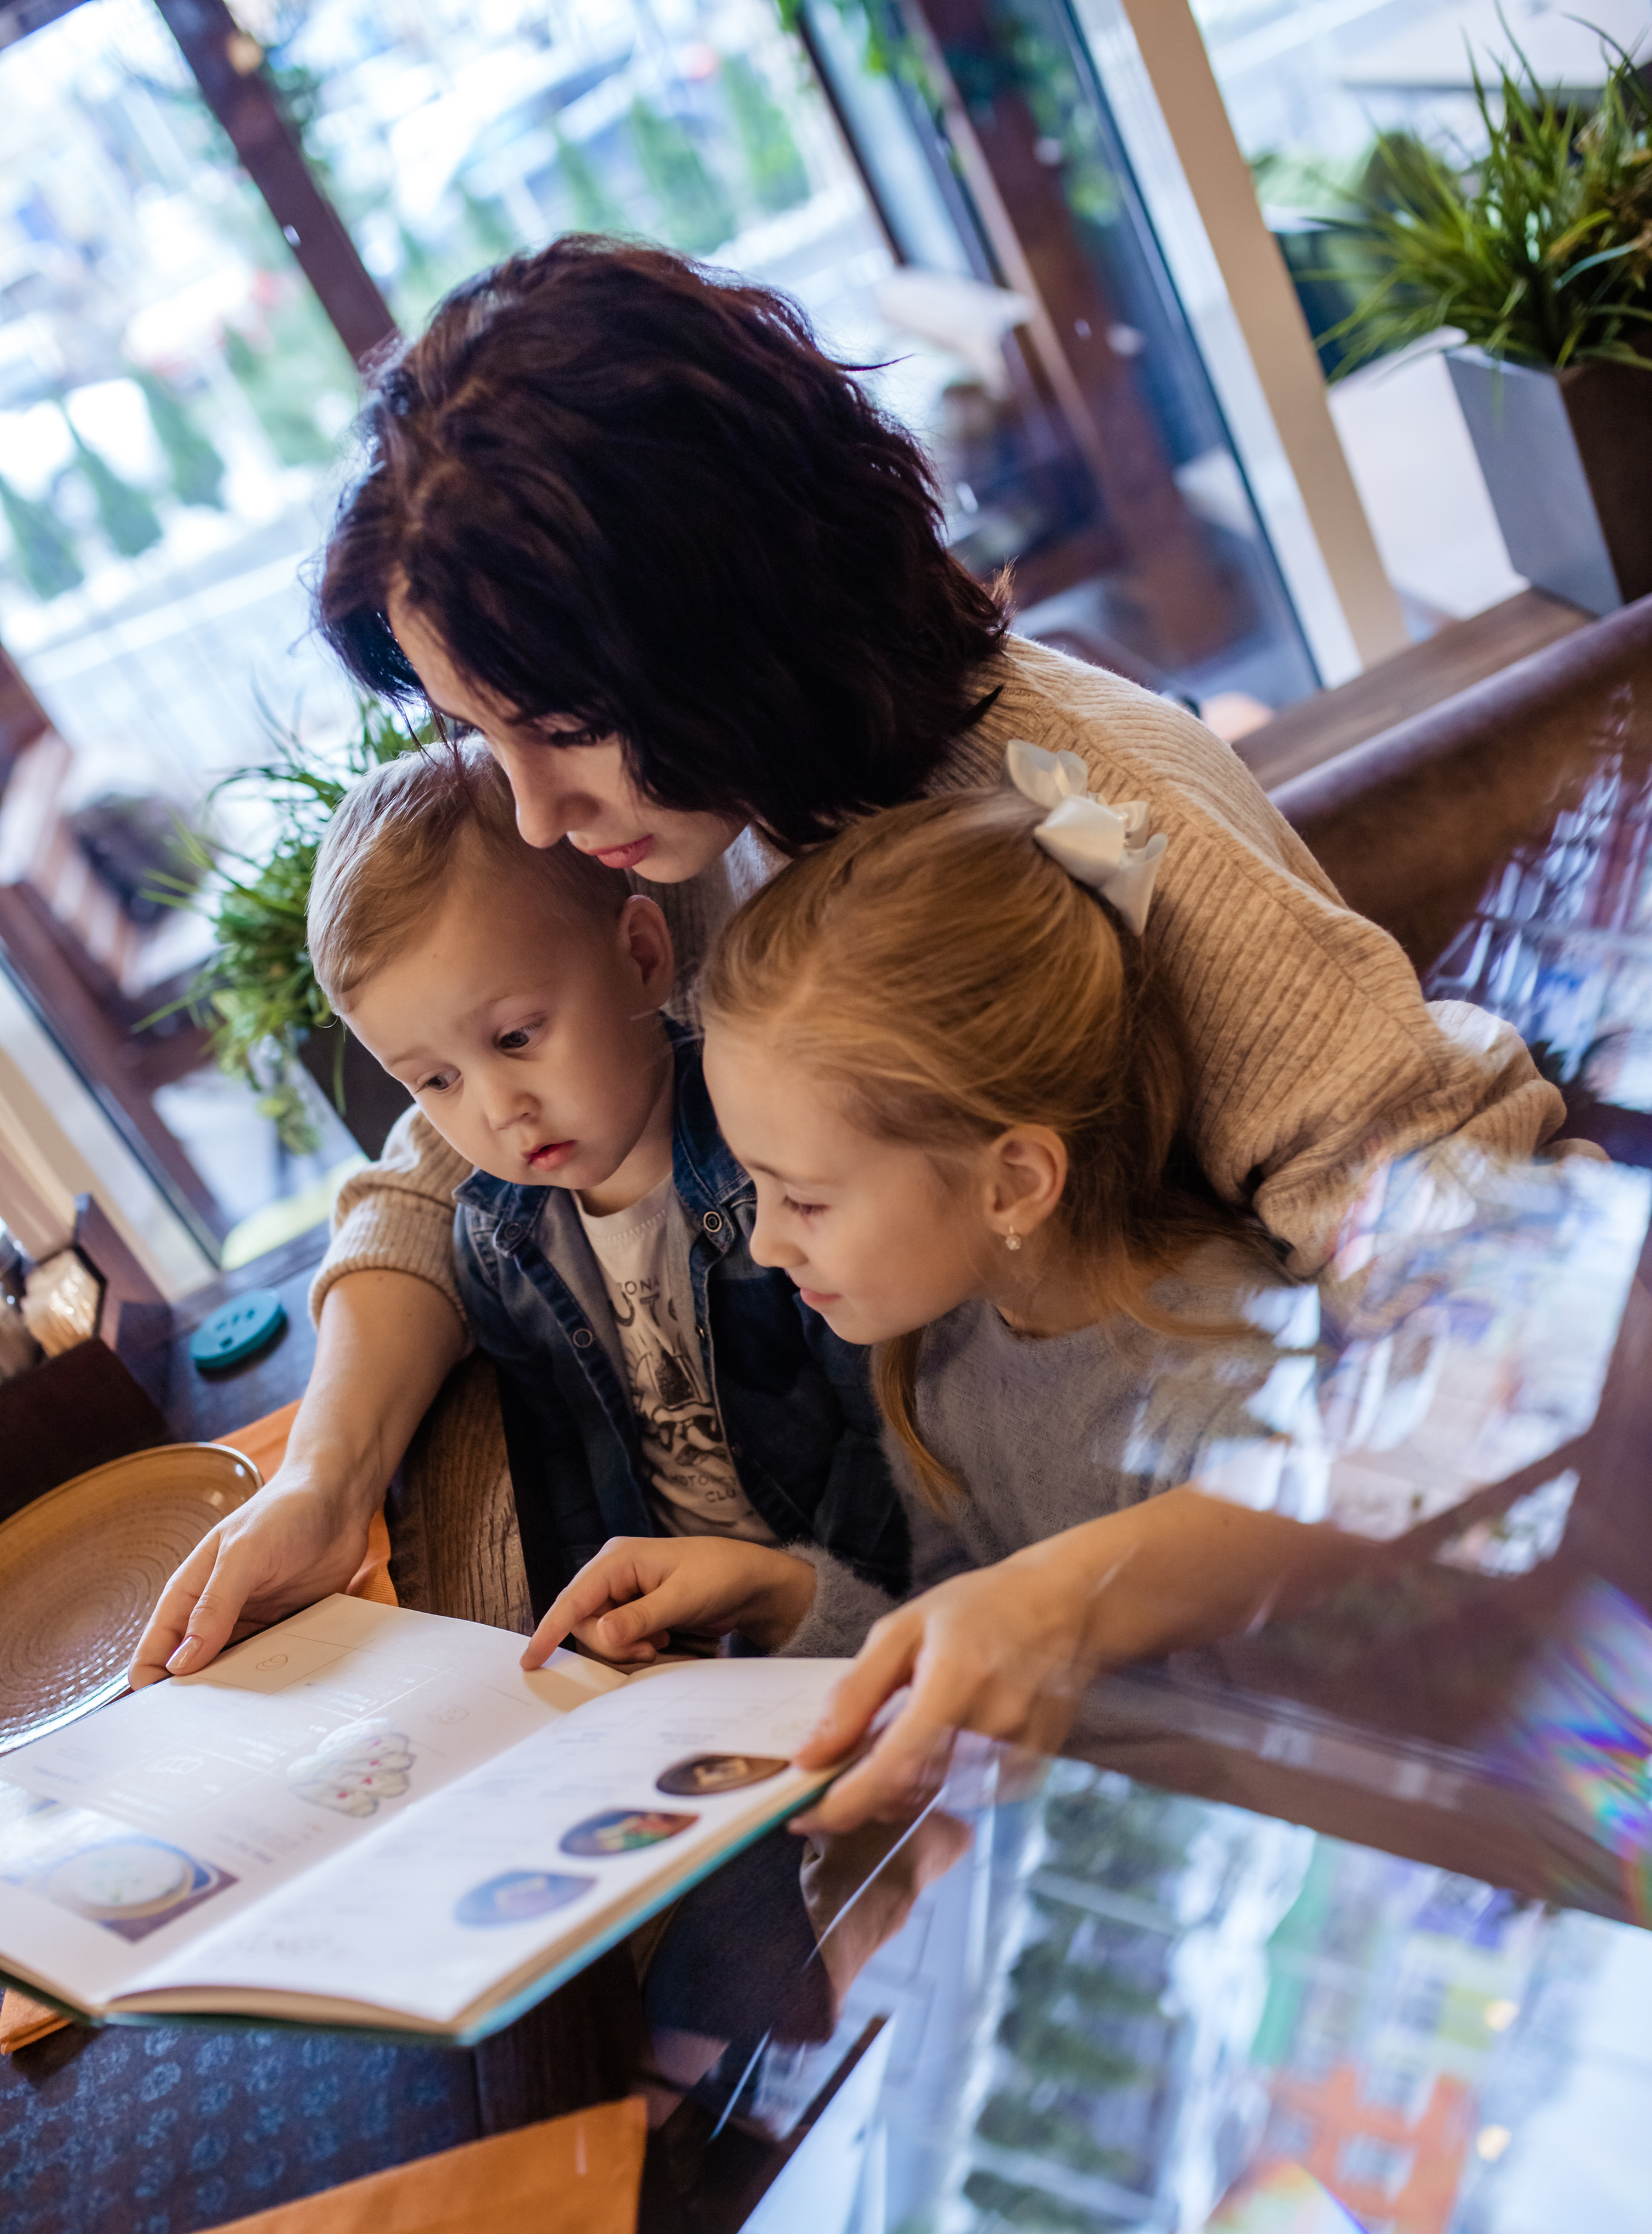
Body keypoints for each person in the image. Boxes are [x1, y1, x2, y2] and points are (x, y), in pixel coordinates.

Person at [135, 234, 1560, 1686]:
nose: (536, 814)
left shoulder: (1092, 812)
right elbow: (438, 1162)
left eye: (563, 731)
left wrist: (1057, 1607)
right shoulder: (692, 822)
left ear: (732, 621)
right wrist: (325, 1480)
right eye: (483, 739)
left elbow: (1493, 1321)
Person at [532, 762, 1597, 1831]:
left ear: (1014, 1182)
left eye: (804, 1199)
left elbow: (1263, 1761)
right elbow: (974, 1637)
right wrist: (786, 1598)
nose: (765, 1245)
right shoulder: (936, 1351)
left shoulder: (1225, 1384)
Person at [130, 740, 903, 1687]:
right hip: (674, 1651)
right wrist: (591, 1631)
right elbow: (564, 1475)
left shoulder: (774, 1165)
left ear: (641, 956)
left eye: (516, 1037)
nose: (498, 1111)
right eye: (435, 1081)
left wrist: (806, 1616)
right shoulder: (495, 1238)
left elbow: (886, 1434)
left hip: (837, 1616)